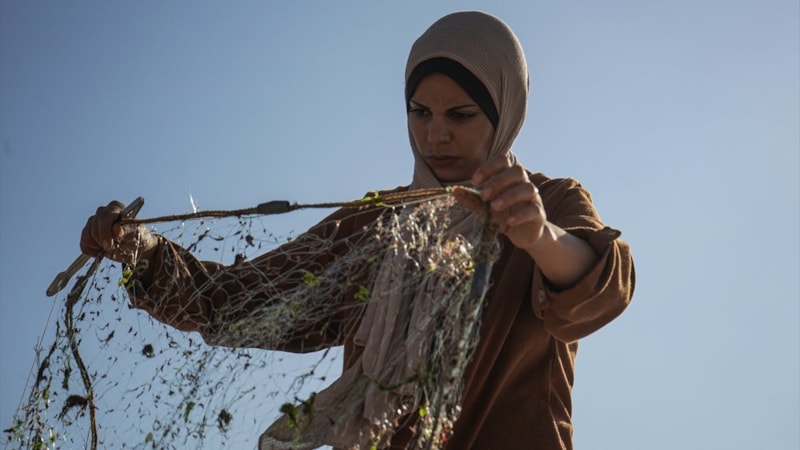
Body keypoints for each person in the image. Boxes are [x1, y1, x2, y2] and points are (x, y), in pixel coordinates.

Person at [81, 10, 635, 450]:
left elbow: (604, 288)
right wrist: (140, 250)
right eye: (420, 112)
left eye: (461, 115)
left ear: (505, 110)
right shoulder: (376, 224)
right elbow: (240, 302)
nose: (435, 136)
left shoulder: (550, 202)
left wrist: (536, 237)